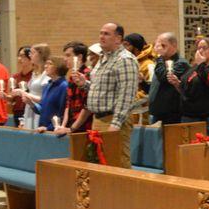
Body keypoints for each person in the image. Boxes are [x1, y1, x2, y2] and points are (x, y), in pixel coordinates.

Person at [73, 23, 139, 168]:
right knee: (100, 162)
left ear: (118, 39)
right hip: (98, 118)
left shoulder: (125, 60)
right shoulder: (103, 58)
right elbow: (101, 90)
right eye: (101, 33)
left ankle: (124, 191)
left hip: (114, 119)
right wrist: (85, 84)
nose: (101, 37)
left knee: (117, 162)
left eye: (106, 34)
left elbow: (127, 96)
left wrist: (115, 124)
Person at [174, 37, 209, 140]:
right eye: (199, 48)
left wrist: (201, 64)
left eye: (204, 48)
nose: (200, 51)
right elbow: (186, 90)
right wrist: (177, 84)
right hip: (190, 116)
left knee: (207, 151)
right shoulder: (194, 68)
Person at [149, 32, 190, 124]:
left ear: (174, 46)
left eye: (163, 45)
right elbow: (157, 84)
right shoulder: (162, 62)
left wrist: (159, 56)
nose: (160, 48)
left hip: (172, 114)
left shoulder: (181, 63)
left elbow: (164, 77)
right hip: (158, 111)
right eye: (158, 45)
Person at [55, 42, 93, 135]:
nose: (65, 59)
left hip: (83, 128)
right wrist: (63, 126)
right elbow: (68, 104)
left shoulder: (87, 74)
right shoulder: (72, 77)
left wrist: (72, 128)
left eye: (68, 55)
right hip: (72, 126)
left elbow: (87, 107)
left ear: (79, 57)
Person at [13, 43, 50, 129]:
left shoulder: (47, 74)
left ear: (40, 54)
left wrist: (23, 93)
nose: (29, 55)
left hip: (39, 110)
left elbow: (45, 99)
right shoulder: (35, 73)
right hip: (30, 109)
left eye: (32, 53)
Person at [123, 33, 156, 124]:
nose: (123, 48)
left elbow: (152, 92)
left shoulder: (148, 65)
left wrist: (141, 83)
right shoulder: (125, 62)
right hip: (126, 114)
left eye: (127, 45)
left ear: (136, 49)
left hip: (143, 116)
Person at [0, 46, 33, 127]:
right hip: (18, 111)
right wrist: (5, 97)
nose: (19, 59)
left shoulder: (34, 76)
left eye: (22, 56)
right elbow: (12, 98)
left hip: (31, 110)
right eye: (18, 56)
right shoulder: (15, 77)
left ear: (30, 58)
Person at [33, 57, 69, 132]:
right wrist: (30, 102)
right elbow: (42, 109)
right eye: (46, 64)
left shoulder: (64, 86)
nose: (45, 66)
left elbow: (61, 111)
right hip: (42, 128)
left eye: (49, 64)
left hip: (55, 130)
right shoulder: (47, 85)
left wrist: (48, 128)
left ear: (58, 67)